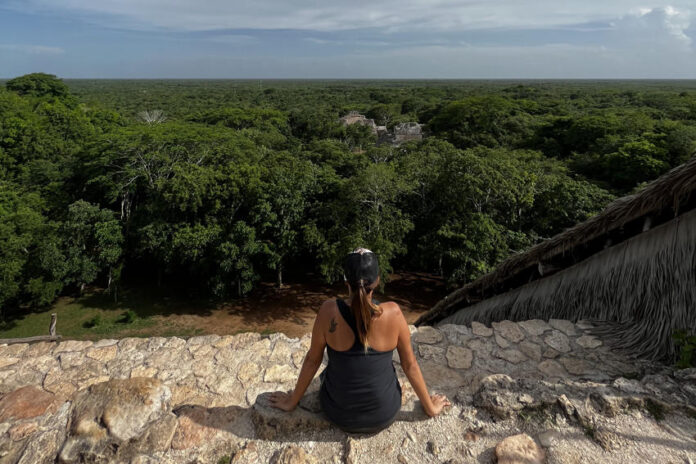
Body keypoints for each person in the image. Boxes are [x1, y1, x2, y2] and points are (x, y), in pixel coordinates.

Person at [269, 247, 450, 433]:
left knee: (327, 373)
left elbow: (313, 360)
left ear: (346, 281)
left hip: (338, 414)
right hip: (384, 414)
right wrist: (430, 407)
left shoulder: (328, 312)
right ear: (378, 280)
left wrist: (292, 402)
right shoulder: (394, 313)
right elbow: (409, 365)